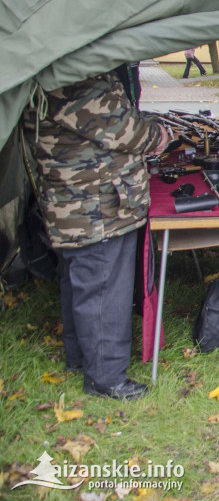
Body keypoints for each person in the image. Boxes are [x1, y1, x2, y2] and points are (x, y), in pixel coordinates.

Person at [22, 72, 169, 399]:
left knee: (81, 284)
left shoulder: (57, 72)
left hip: (79, 206)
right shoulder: (78, 80)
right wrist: (160, 133)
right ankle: (106, 378)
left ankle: (80, 359)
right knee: (104, 289)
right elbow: (128, 131)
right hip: (96, 208)